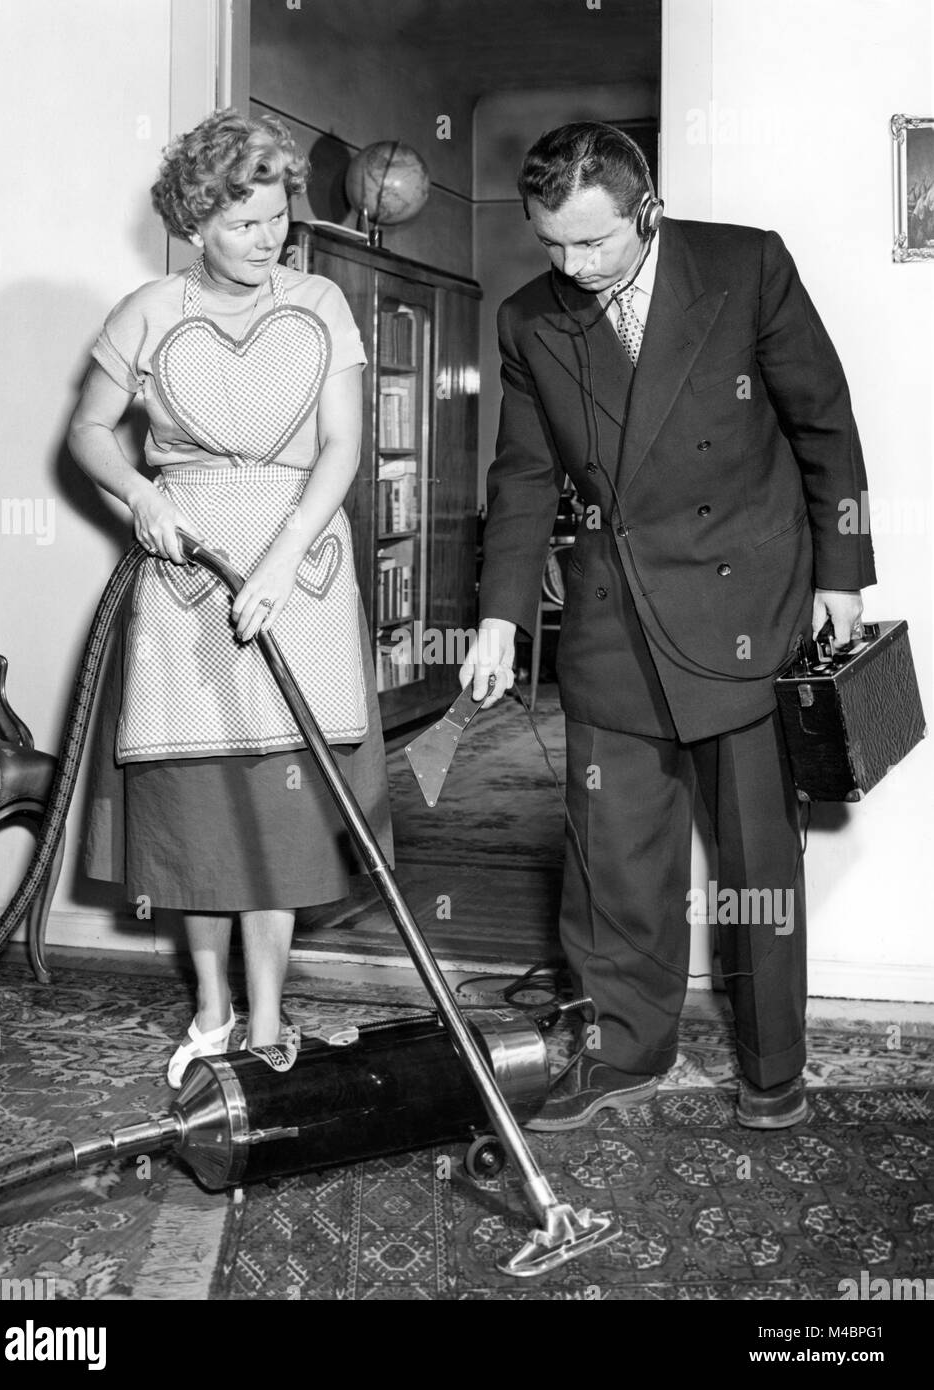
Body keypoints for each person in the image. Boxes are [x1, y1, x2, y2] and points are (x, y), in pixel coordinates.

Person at [460, 122, 874, 1132]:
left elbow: (825, 422)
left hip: (750, 606)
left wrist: (844, 573)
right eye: (552, 244)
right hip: (611, 618)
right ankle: (620, 1054)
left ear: (646, 211)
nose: (573, 266)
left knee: (757, 862)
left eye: (593, 243)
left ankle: (772, 1064)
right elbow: (520, 476)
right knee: (612, 862)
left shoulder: (744, 265)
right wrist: (500, 616)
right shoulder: (529, 320)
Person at [68, 109, 392, 1086]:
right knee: (198, 810)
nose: (272, 237)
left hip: (301, 565)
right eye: (245, 223)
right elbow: (88, 433)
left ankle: (265, 1017)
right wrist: (142, 494)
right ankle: (210, 1012)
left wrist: (286, 561)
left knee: (282, 811)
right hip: (185, 577)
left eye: (277, 215)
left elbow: (341, 447)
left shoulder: (320, 303)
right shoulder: (147, 311)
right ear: (196, 222)